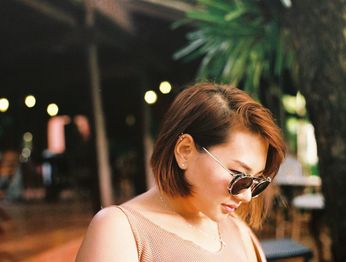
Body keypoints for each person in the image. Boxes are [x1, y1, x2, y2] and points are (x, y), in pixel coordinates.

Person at [76, 83, 286, 261]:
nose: (247, 196)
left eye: (256, 182)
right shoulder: (118, 230)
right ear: (185, 151)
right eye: (239, 176)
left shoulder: (238, 231)